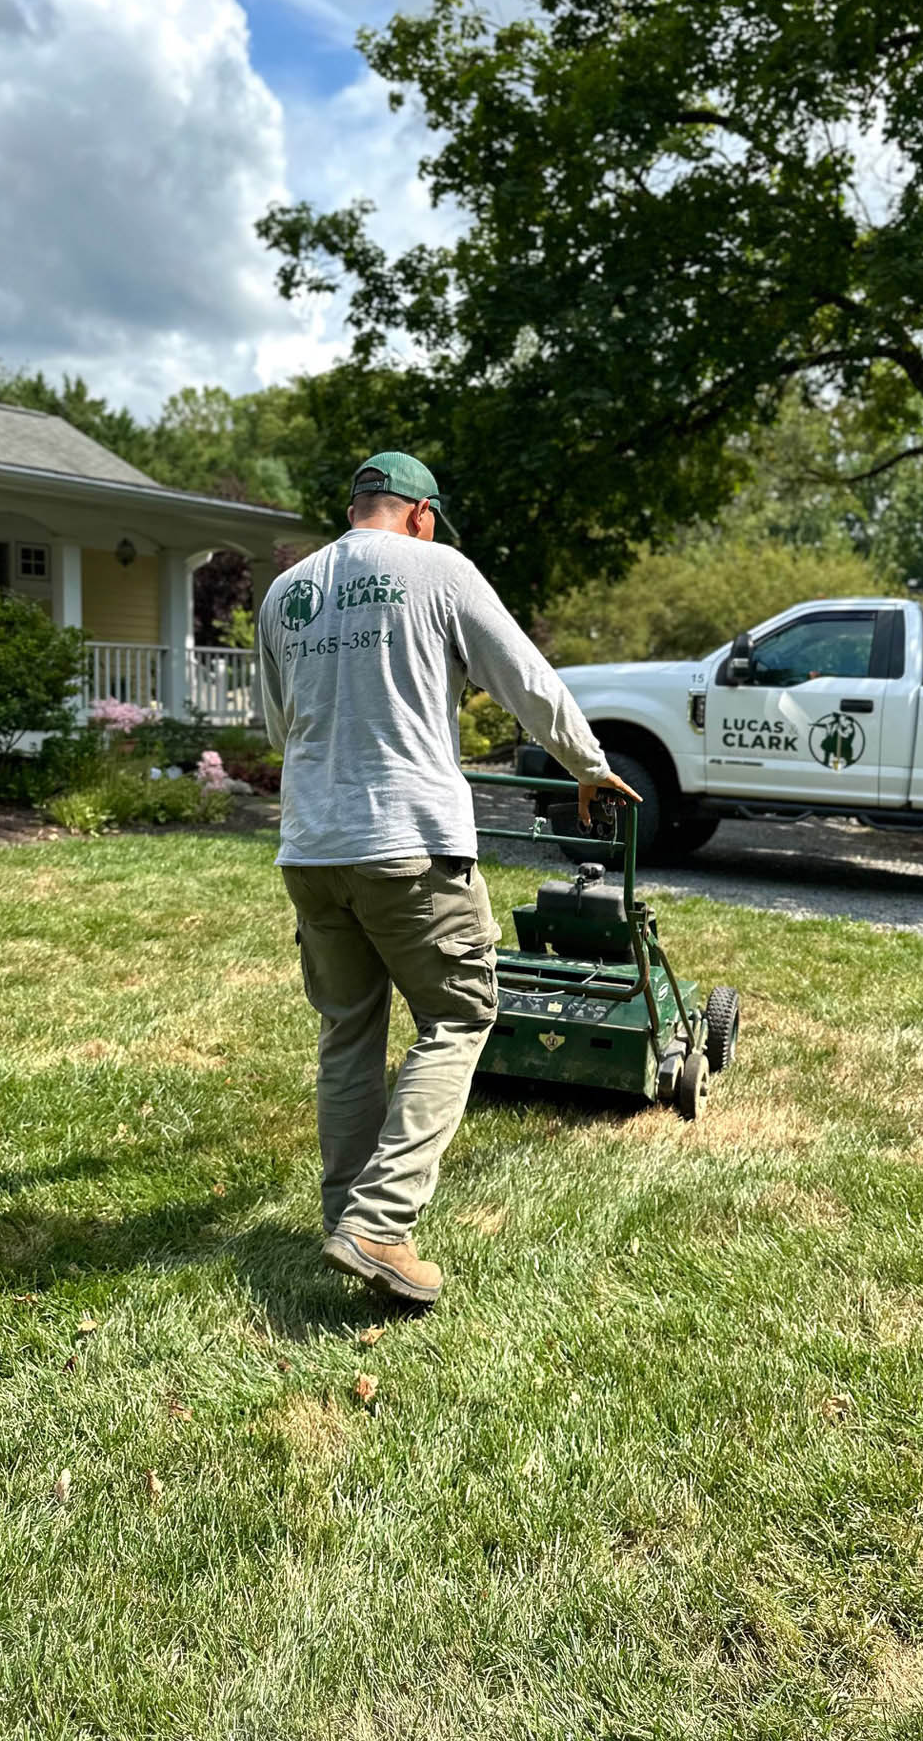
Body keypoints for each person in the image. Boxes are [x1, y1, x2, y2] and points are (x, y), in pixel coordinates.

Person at [257, 451, 639, 1309]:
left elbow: (278, 722)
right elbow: (526, 679)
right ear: (420, 514)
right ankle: (380, 1224)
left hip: (311, 847)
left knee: (347, 1031)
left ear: (357, 506)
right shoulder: (439, 570)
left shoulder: (288, 592)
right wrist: (587, 763)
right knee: (459, 1015)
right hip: (410, 843)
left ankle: (344, 1216)